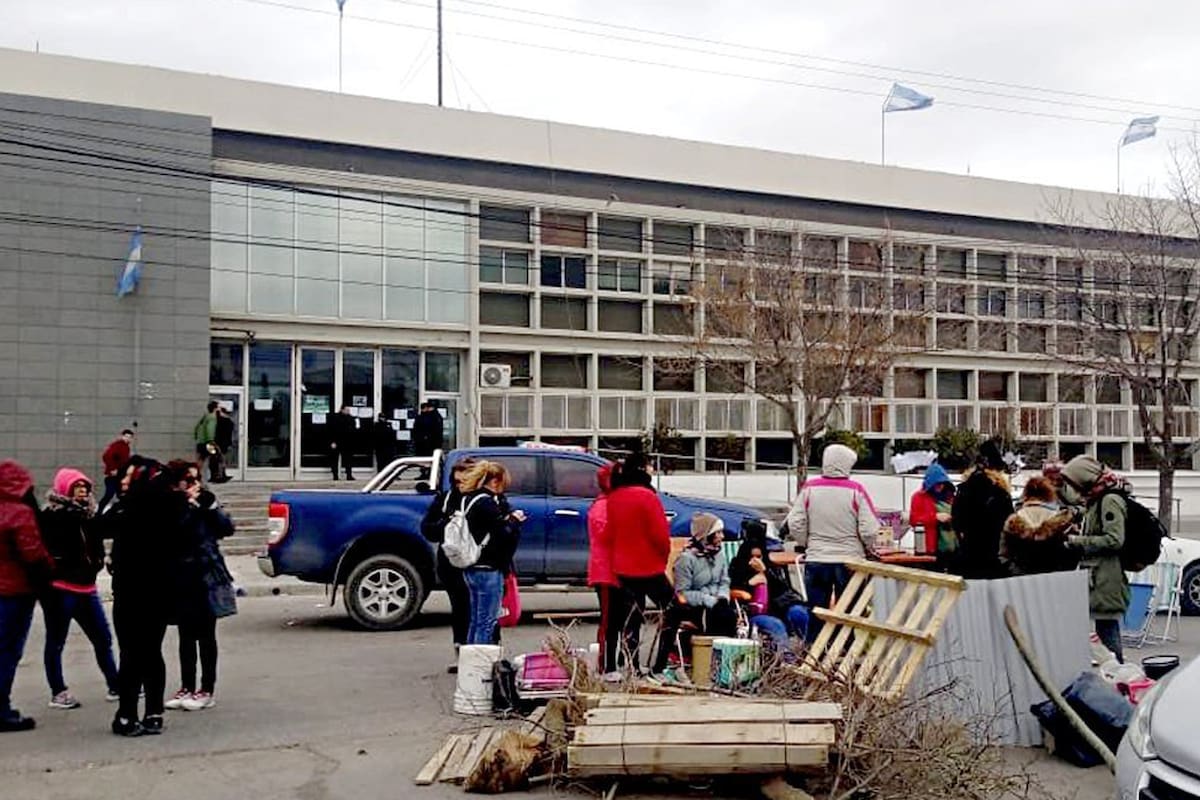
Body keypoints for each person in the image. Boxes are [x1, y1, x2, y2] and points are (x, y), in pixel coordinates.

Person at [102, 457, 191, 737]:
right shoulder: (175, 504)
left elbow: (101, 524)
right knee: (152, 651)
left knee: (131, 653)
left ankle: (127, 716)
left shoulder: (131, 508)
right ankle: (154, 713)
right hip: (162, 591)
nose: (124, 481)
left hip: (133, 591)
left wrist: (118, 500)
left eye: (129, 477)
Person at [38, 469, 120, 710]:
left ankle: (115, 684)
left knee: (102, 638)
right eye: (77, 488)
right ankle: (58, 691)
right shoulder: (53, 516)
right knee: (56, 641)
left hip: (87, 588)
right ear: (65, 490)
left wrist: (97, 561)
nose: (83, 493)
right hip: (61, 589)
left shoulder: (89, 516)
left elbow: (100, 538)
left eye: (85, 488)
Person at [785, 444, 880, 643]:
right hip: (849, 559)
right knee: (850, 612)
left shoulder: (810, 488)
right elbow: (870, 529)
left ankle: (814, 654)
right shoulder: (856, 490)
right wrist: (867, 547)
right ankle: (847, 654)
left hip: (817, 557)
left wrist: (807, 542)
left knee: (817, 611)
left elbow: (794, 523)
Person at [166, 475, 235, 712]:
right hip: (183, 578)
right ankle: (186, 686)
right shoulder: (179, 509)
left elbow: (227, 528)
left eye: (197, 482)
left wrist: (211, 506)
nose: (195, 487)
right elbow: (178, 532)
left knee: (206, 635)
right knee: (186, 636)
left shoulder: (207, 507)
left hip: (206, 579)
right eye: (189, 482)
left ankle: (206, 689)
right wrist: (192, 507)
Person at [1058, 455, 1132, 663]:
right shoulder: (1096, 500)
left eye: (1075, 483)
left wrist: (1076, 540)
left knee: (1108, 637)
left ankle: (1118, 678)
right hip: (1097, 577)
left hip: (1106, 578)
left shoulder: (1109, 500)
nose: (1074, 489)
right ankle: (1114, 675)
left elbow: (1114, 539)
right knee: (1104, 634)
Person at [0, 460, 54, 733]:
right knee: (8, 651)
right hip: (15, 591)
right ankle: (1, 710)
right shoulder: (19, 513)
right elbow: (32, 554)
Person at [607, 453, 673, 671]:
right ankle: (660, 664)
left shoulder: (615, 496)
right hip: (648, 565)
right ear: (643, 469)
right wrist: (663, 559)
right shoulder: (647, 496)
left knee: (631, 617)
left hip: (623, 566)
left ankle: (631, 664)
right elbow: (660, 536)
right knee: (674, 610)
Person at [654, 512, 736, 674]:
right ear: (707, 535)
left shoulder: (719, 554)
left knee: (728, 614)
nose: (722, 536)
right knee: (716, 615)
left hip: (717, 600)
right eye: (718, 533)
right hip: (694, 604)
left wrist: (722, 596)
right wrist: (709, 600)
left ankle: (724, 665)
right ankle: (706, 662)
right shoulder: (687, 559)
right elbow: (683, 592)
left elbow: (724, 580)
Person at [420, 457, 477, 671]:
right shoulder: (446, 500)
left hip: (480, 564)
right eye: (458, 480)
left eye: (465, 480)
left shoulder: (484, 499)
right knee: (460, 608)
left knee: (483, 611)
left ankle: (484, 653)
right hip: (452, 564)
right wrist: (448, 524)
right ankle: (461, 653)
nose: (461, 484)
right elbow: (427, 529)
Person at [457, 461, 523, 645]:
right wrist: (514, 521)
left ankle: (469, 663)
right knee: (487, 623)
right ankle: (481, 667)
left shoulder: (468, 499)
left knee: (476, 621)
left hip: (471, 566)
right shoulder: (487, 504)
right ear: (495, 481)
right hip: (489, 568)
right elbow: (503, 535)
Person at [729, 529, 809, 653]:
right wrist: (749, 584)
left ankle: (810, 650)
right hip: (752, 613)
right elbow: (732, 589)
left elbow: (784, 591)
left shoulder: (770, 568)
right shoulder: (737, 568)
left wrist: (765, 573)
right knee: (775, 624)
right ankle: (785, 658)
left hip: (778, 609)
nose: (755, 561)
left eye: (759, 557)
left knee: (799, 612)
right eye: (752, 557)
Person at [951, 439, 1015, 579]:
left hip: (967, 557)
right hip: (993, 557)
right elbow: (1009, 523)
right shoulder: (1000, 493)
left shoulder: (964, 490)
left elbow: (956, 521)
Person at [998, 476, 1078, 577]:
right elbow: (1073, 551)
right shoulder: (1060, 520)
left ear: (1026, 495)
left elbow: (1004, 555)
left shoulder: (1013, 521)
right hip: (1055, 578)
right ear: (1049, 494)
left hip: (1021, 580)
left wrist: (1016, 572)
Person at [586, 464, 621, 677]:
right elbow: (607, 533)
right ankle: (606, 665)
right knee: (609, 620)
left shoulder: (610, 503)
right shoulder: (602, 506)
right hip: (606, 572)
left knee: (618, 619)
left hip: (617, 569)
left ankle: (615, 661)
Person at [909, 463, 958, 571]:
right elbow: (914, 520)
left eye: (942, 483)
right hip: (929, 549)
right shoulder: (918, 497)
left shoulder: (951, 497)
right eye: (937, 484)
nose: (940, 486)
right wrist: (934, 517)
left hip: (953, 548)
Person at [100, 429, 135, 510]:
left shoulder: (126, 447)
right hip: (114, 477)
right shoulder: (117, 445)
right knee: (109, 495)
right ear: (122, 436)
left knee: (123, 496)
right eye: (126, 437)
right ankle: (99, 512)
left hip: (120, 476)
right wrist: (113, 469)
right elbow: (106, 456)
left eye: (129, 437)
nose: (127, 439)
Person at [193, 401, 220, 482]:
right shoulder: (212, 417)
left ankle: (196, 474)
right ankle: (215, 475)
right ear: (215, 408)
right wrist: (211, 440)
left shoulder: (205, 416)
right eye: (218, 406)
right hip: (208, 442)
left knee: (201, 458)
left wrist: (196, 437)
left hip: (201, 441)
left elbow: (196, 428)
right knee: (216, 456)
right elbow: (210, 429)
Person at [329, 405, 356, 481]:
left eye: (349, 410)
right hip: (337, 442)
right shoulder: (335, 418)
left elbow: (353, 430)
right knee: (334, 459)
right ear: (342, 410)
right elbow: (331, 430)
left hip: (347, 442)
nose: (348, 411)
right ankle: (335, 475)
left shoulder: (350, 418)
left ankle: (349, 475)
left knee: (348, 459)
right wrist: (332, 441)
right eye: (347, 410)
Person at [212, 406, 235, 483]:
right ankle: (221, 474)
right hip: (224, 443)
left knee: (219, 459)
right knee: (221, 459)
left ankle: (219, 475)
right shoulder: (228, 421)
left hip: (219, 442)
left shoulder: (220, 421)